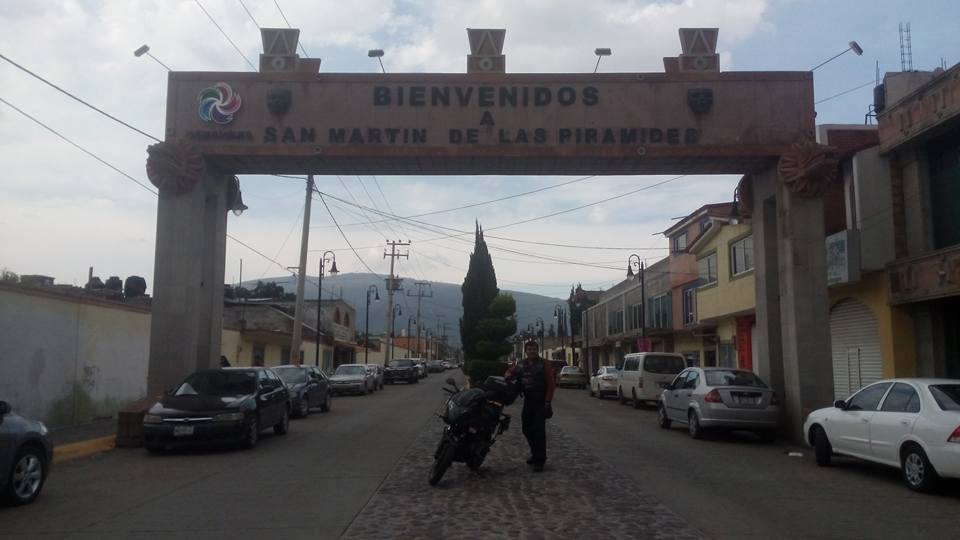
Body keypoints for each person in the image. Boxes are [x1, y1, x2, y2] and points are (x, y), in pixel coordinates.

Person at [506, 339, 555, 472]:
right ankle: (535, 453)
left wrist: (547, 402)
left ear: (537, 350)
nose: (531, 351)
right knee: (526, 429)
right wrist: (508, 374)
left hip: (541, 402)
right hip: (528, 402)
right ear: (525, 351)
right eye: (529, 349)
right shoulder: (521, 364)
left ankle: (540, 460)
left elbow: (551, 384)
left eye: (534, 349)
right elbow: (511, 371)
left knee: (539, 431)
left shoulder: (544, 364)